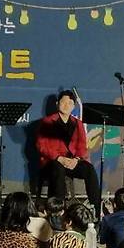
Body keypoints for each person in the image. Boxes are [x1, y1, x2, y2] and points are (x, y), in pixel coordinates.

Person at [36, 90, 100, 220]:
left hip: (71, 162)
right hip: (52, 162)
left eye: (70, 103)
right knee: (58, 168)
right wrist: (60, 158)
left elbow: (82, 146)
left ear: (73, 106)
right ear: (57, 103)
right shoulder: (47, 122)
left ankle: (96, 210)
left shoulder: (78, 124)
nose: (66, 105)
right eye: (63, 102)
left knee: (89, 169)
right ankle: (58, 212)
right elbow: (41, 145)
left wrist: (76, 159)